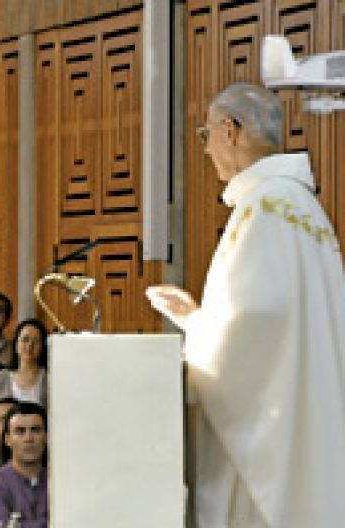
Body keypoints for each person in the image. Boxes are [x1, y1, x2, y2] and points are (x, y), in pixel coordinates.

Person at [146, 83, 345, 528]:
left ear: (230, 130)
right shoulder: (300, 207)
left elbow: (254, 329)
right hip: (302, 420)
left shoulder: (265, 206)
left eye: (206, 135)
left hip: (265, 443)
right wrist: (193, 316)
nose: (206, 149)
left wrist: (196, 328)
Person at [0, 402, 48, 528]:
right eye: (20, 431)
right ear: (7, 439)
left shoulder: (58, 483)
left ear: (47, 437)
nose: (28, 438)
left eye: (36, 430)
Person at [0, 318, 48, 416]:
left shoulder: (50, 380)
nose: (29, 346)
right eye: (25, 340)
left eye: (36, 341)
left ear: (42, 346)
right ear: (16, 344)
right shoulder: (0, 378)